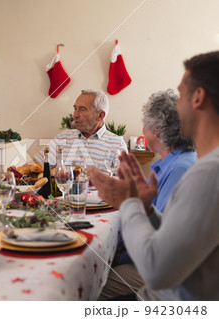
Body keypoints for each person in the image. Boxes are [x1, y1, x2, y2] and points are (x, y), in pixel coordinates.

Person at [88, 51, 219, 301]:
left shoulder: (209, 173)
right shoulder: (206, 167)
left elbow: (157, 271)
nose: (176, 108)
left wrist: (130, 204)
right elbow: (177, 239)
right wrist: (147, 211)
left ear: (198, 98)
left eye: (181, 94)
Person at [98, 89, 197, 300]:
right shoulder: (178, 161)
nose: (143, 131)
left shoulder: (179, 169)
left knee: (91, 287)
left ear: (158, 132)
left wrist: (117, 256)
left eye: (145, 125)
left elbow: (160, 239)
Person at [33, 89, 128, 168]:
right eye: (75, 108)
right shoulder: (63, 138)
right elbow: (35, 165)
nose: (75, 115)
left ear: (100, 115)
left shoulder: (117, 144)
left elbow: (124, 183)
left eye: (82, 109)